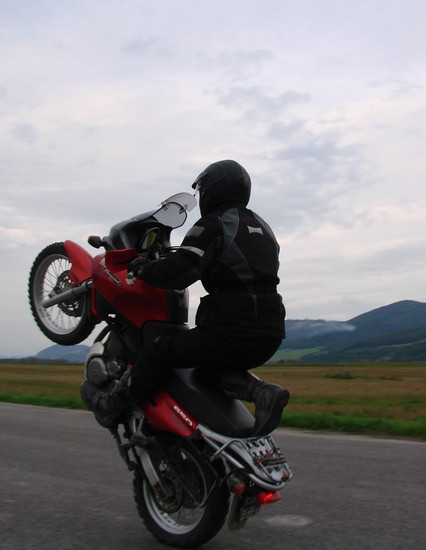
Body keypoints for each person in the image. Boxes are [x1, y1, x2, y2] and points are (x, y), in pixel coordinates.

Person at [81, 159, 289, 435]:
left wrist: (143, 269)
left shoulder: (214, 224)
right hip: (270, 335)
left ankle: (112, 405)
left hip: (231, 333)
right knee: (205, 370)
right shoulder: (264, 228)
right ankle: (260, 391)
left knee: (158, 350)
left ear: (213, 189)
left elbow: (179, 272)